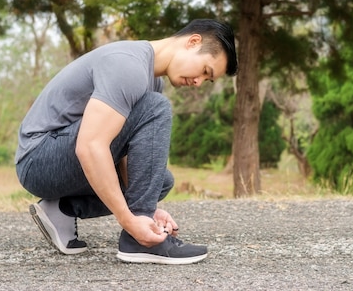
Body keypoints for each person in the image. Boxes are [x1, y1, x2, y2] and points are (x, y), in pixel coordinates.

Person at [14, 19, 238, 265]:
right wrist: (131, 221)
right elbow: (90, 146)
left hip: (54, 159)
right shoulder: (128, 65)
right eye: (205, 71)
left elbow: (124, 152)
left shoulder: (152, 80)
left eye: (207, 80)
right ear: (193, 42)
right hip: (39, 159)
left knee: (160, 182)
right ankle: (136, 243)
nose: (198, 82)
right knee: (156, 107)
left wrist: (149, 212)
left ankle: (62, 210)